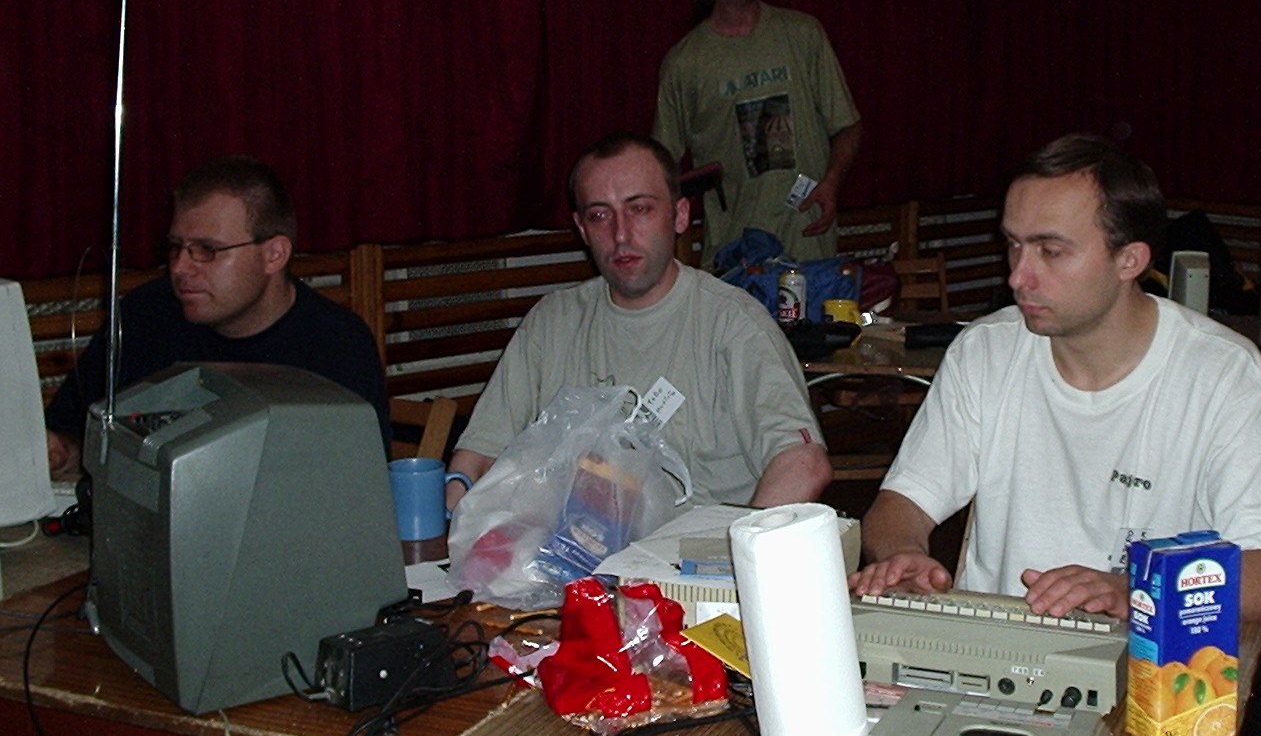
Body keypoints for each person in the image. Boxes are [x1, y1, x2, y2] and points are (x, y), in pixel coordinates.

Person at [850, 134, 1261, 626]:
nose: (1018, 277)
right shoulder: (985, 351)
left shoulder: (1222, 371)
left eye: (1050, 251)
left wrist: (1130, 591)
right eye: (1014, 245)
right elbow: (900, 505)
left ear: (1130, 260)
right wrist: (902, 554)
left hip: (1151, 655)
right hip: (1000, 646)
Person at [446, 132, 831, 509]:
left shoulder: (734, 325)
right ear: (582, 230)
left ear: (680, 215)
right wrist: (460, 516)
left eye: (640, 209)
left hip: (694, 548)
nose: (621, 234)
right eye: (600, 215)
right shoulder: (550, 324)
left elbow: (803, 463)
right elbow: (476, 458)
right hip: (568, 546)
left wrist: (743, 545)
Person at [45, 156, 391, 477]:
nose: (180, 268)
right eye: (176, 247)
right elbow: (75, 435)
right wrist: (61, 452)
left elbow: (358, 484)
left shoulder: (337, 345)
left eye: (207, 250)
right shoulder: (143, 316)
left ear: (274, 255)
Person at [654, 0, 863, 263]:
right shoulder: (685, 62)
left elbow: (848, 127)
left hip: (809, 254)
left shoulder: (802, 34)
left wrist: (831, 181)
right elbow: (659, 167)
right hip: (736, 264)